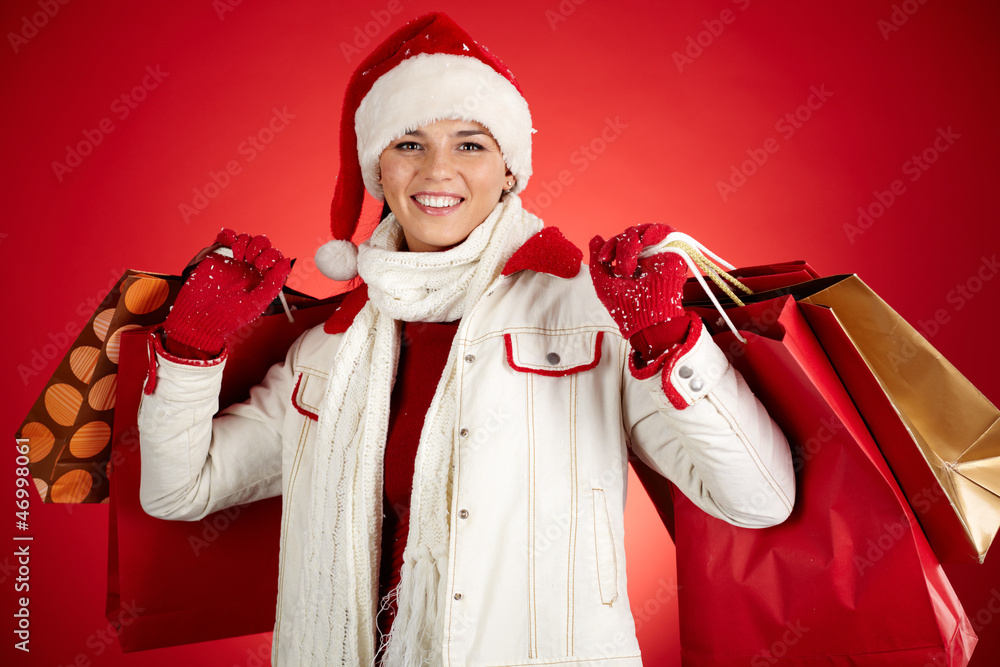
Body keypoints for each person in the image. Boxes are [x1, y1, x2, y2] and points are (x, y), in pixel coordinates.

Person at [137, 12, 794, 667]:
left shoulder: (592, 315)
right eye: (409, 143)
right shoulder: (330, 348)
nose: (438, 170)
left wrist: (666, 341)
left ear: (511, 169)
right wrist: (192, 346)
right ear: (379, 170)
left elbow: (758, 498)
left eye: (471, 144)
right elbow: (178, 490)